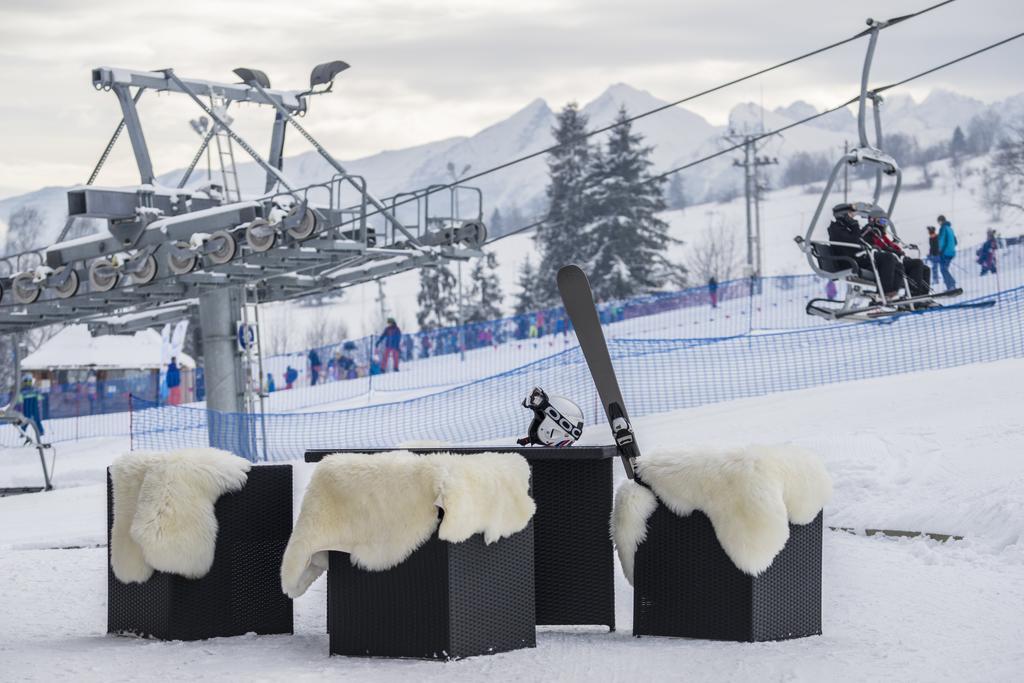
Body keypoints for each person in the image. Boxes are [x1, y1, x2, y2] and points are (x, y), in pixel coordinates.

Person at [15, 374, 44, 440]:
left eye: (29, 381)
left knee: (36, 419)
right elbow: (20, 399)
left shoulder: (34, 390)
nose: (28, 383)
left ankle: (41, 431)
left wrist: (39, 400)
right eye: (26, 382)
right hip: (27, 406)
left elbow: (39, 397)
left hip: (33, 405)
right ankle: (23, 432)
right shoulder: (23, 391)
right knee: (26, 419)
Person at [936, 214, 958, 291]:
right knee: (945, 269)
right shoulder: (950, 229)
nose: (938, 223)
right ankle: (951, 285)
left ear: (941, 221)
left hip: (945, 252)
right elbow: (955, 242)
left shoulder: (943, 228)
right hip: (952, 252)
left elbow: (941, 240)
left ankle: (951, 285)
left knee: (943, 269)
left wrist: (939, 250)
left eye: (938, 221)